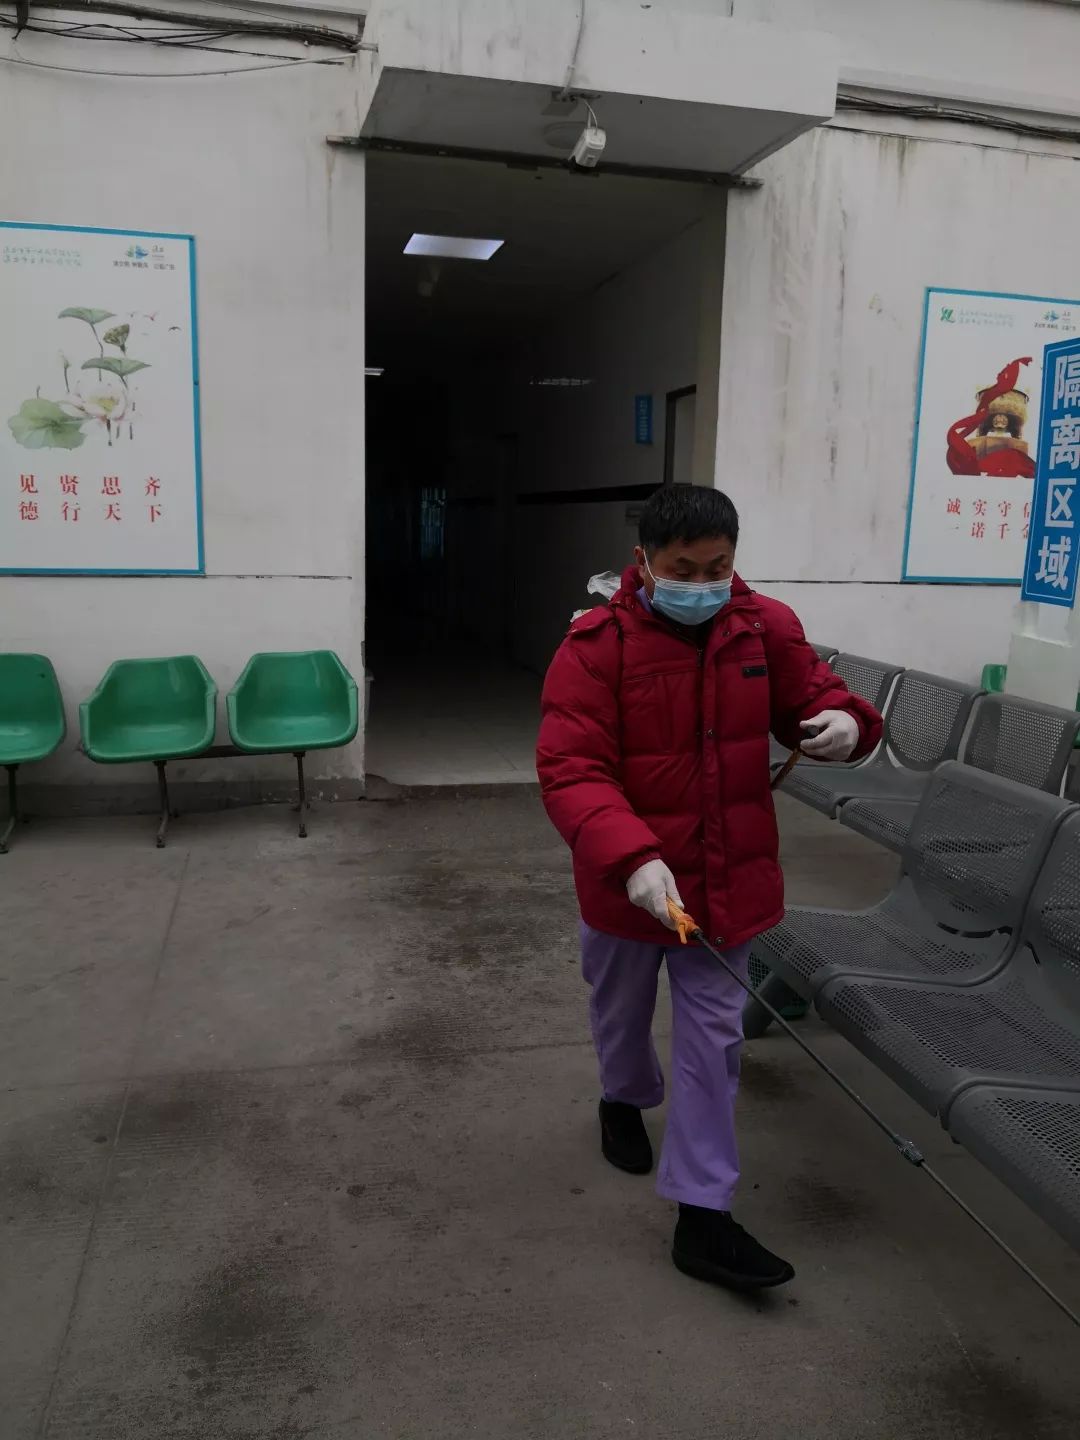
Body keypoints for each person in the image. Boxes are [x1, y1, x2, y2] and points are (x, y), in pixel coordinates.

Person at [536, 485, 882, 1292]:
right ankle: (623, 1098)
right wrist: (632, 859)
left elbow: (817, 695)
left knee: (715, 1044)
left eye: (718, 567)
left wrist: (846, 724)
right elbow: (571, 768)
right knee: (619, 1011)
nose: (702, 583)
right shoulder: (594, 647)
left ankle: (703, 1215)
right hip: (628, 885)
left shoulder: (766, 628)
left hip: (728, 883)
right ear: (644, 562)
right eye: (683, 569)